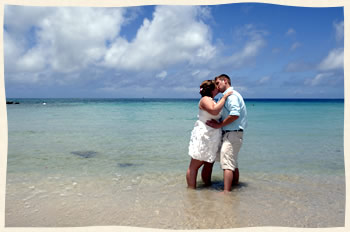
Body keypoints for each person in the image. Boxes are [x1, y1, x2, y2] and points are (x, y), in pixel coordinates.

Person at [186, 80, 233, 189]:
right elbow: (214, 111)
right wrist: (224, 97)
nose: (218, 88)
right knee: (194, 165)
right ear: (212, 89)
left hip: (212, 136)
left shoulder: (211, 99)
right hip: (204, 135)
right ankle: (191, 191)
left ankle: (207, 188)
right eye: (216, 86)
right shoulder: (205, 99)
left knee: (208, 162)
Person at [206, 74, 247, 193]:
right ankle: (234, 186)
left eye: (218, 83)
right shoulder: (225, 96)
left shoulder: (231, 96)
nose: (217, 86)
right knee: (232, 161)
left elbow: (234, 114)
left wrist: (219, 125)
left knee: (227, 163)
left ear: (225, 81)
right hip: (232, 133)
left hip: (233, 133)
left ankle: (226, 192)